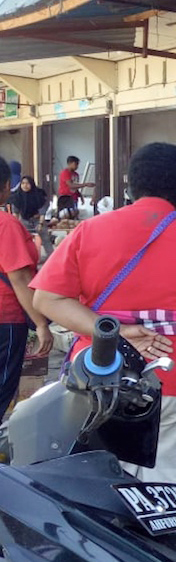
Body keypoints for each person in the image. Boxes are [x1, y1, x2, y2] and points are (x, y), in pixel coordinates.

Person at [31, 142, 176, 497]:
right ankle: (169, 533)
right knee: (175, 481)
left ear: (132, 187)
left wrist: (118, 333)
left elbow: (48, 298)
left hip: (108, 377)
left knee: (108, 479)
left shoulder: (90, 231)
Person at [0, 158, 52, 418]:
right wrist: (41, 324)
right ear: (7, 186)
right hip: (5, 321)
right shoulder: (6, 225)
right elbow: (19, 279)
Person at [9, 176, 55, 258]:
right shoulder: (17, 197)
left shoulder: (39, 195)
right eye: (23, 183)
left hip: (37, 220)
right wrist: (15, 226)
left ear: (32, 184)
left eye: (27, 183)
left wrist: (40, 224)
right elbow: (15, 214)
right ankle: (24, 257)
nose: (25, 186)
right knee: (21, 239)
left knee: (45, 238)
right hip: (24, 220)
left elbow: (42, 212)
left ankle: (52, 258)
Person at [57, 155, 94, 219]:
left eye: (77, 164)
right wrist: (85, 184)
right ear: (70, 163)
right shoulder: (65, 173)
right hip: (66, 198)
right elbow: (71, 185)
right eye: (75, 164)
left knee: (75, 214)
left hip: (74, 197)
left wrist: (80, 195)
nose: (77, 166)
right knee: (67, 214)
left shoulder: (76, 174)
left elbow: (76, 186)